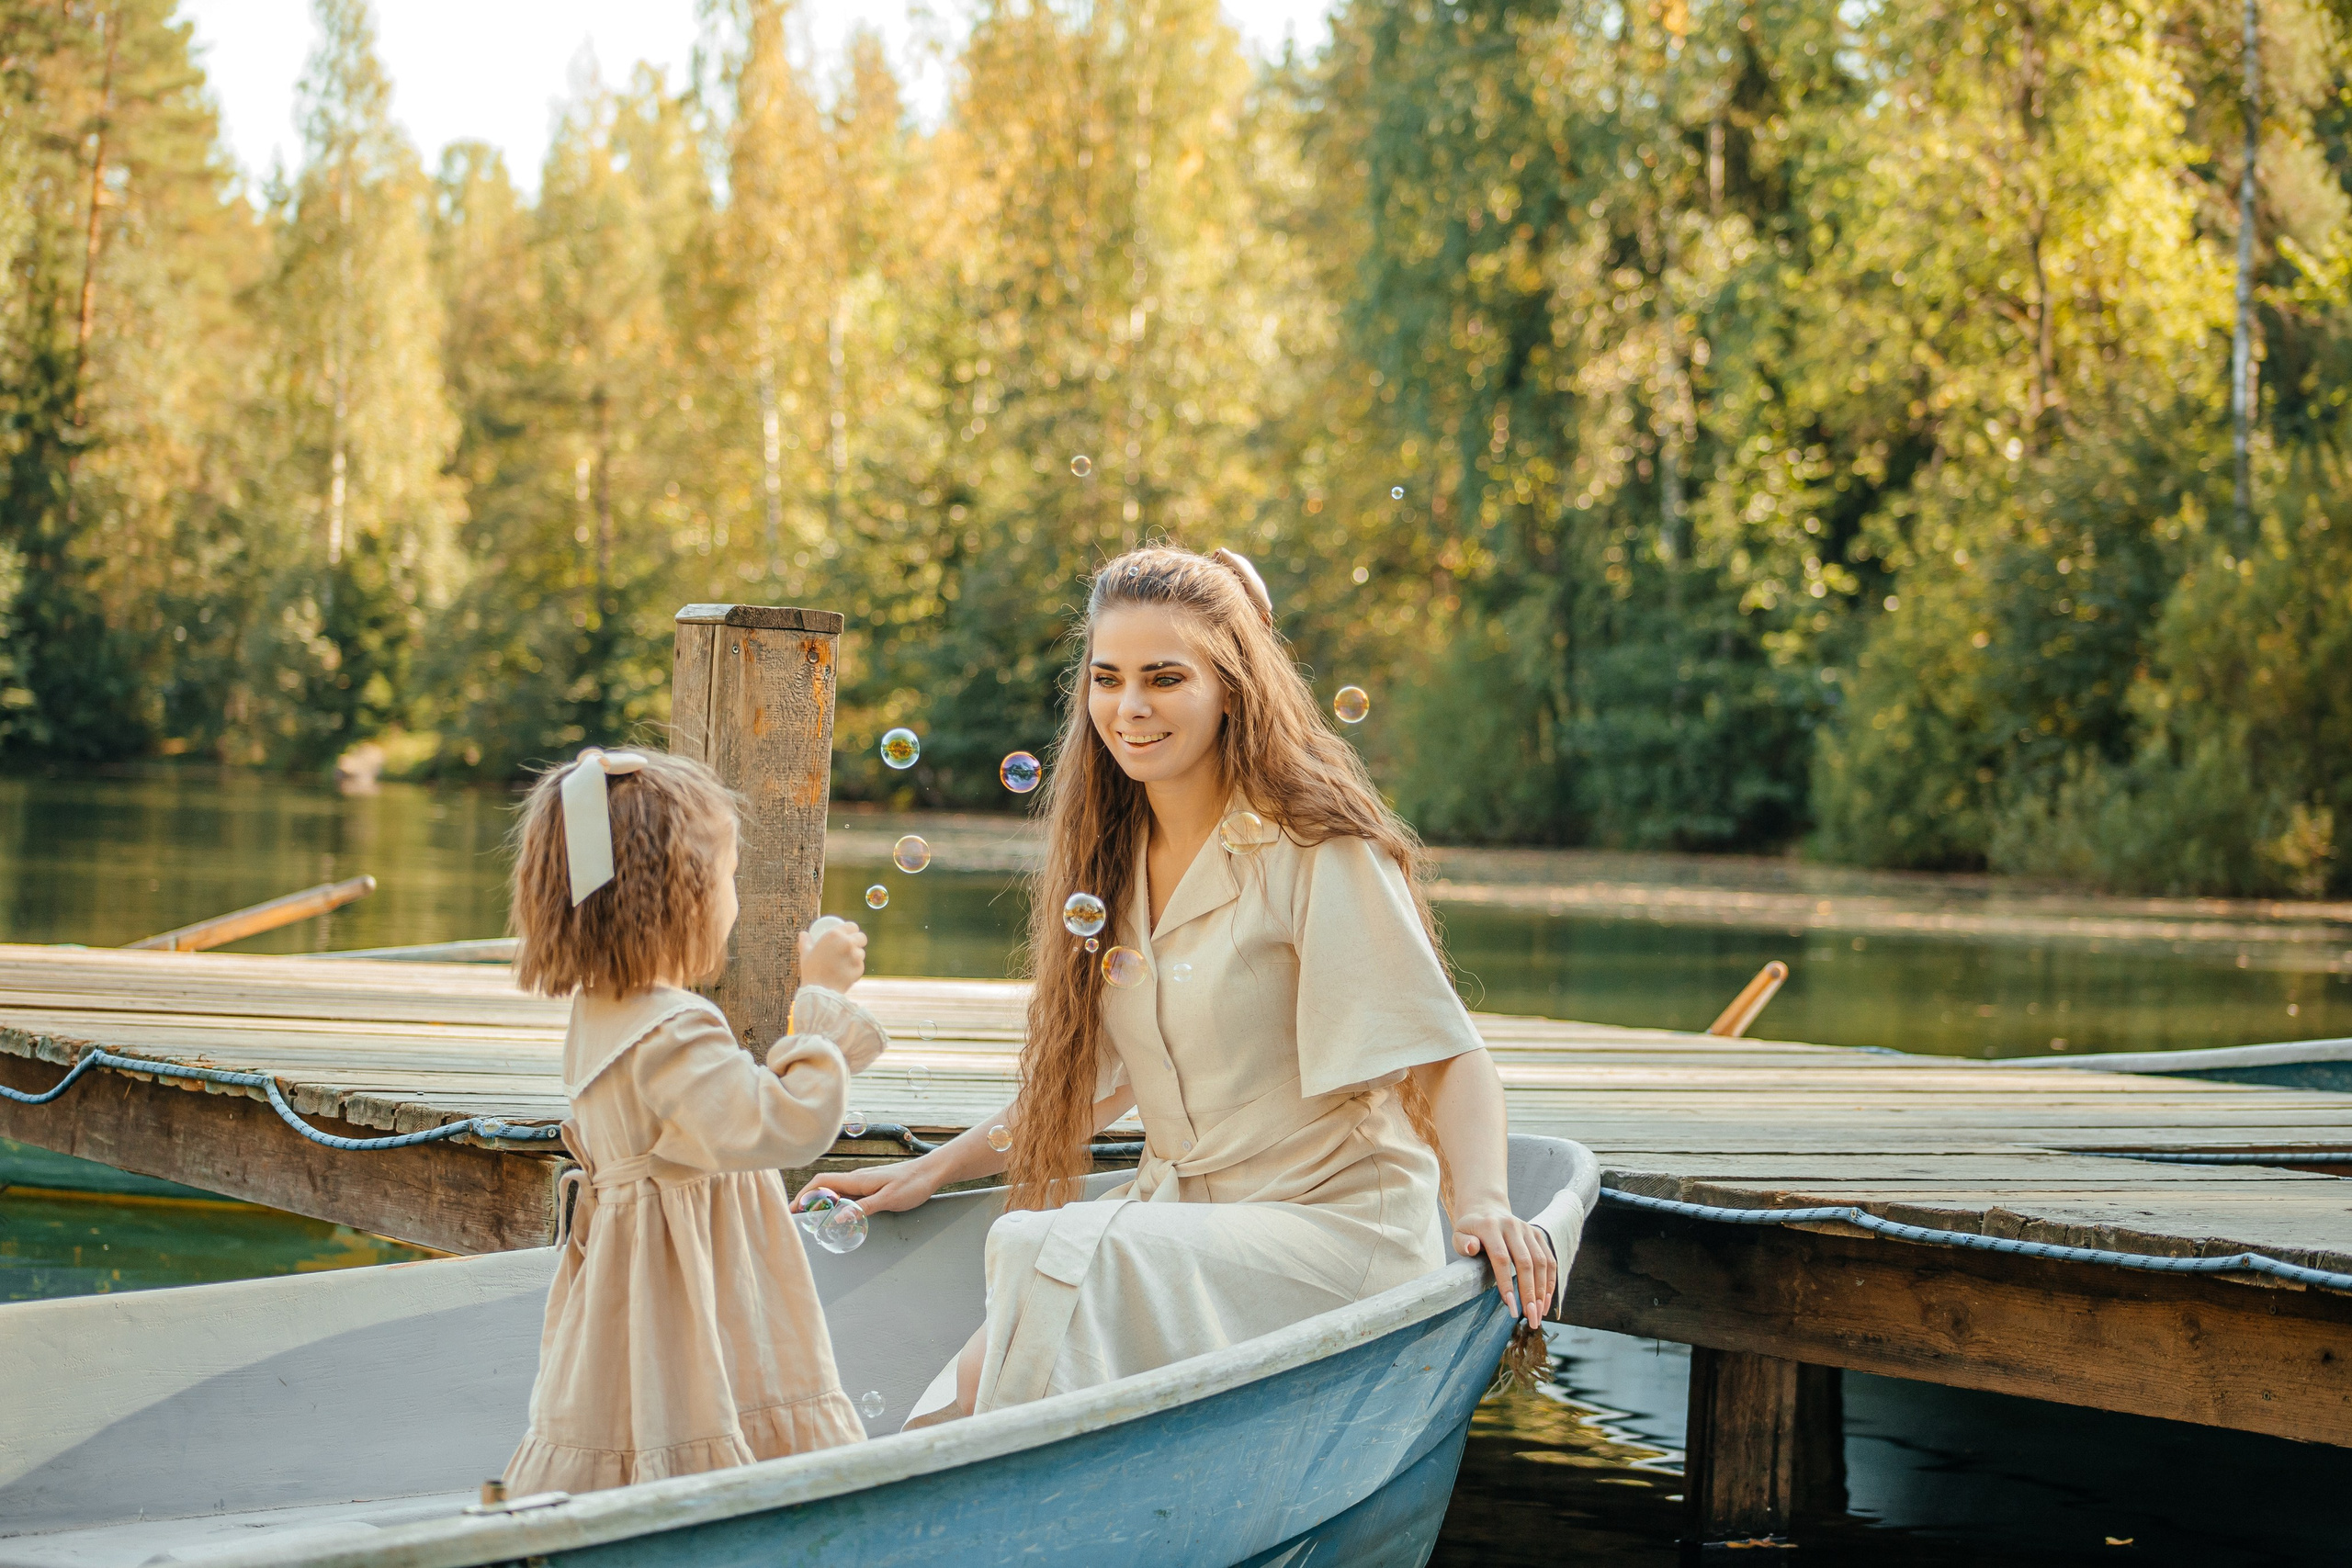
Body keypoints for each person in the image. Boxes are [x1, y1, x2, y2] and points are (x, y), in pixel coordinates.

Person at [820, 545, 1556, 1424]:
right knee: (946, 1410)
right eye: (1107, 678)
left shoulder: (1319, 850)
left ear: (1231, 687)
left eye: (1165, 678)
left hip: (1330, 1234)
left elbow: (1448, 1056)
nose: (1129, 708)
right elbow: (1087, 1083)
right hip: (1174, 1224)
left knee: (1033, 1260)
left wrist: (1482, 1200)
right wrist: (932, 1172)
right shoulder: (1109, 859)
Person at [501, 748, 888, 1494]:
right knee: (698, 1413)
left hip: (634, 1271)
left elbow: (724, 1114)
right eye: (729, 876)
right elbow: (788, 1122)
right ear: (681, 895)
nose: (733, 898)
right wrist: (823, 1000)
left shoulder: (603, 1011)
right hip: (691, 1281)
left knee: (635, 1417)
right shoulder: (675, 1027)